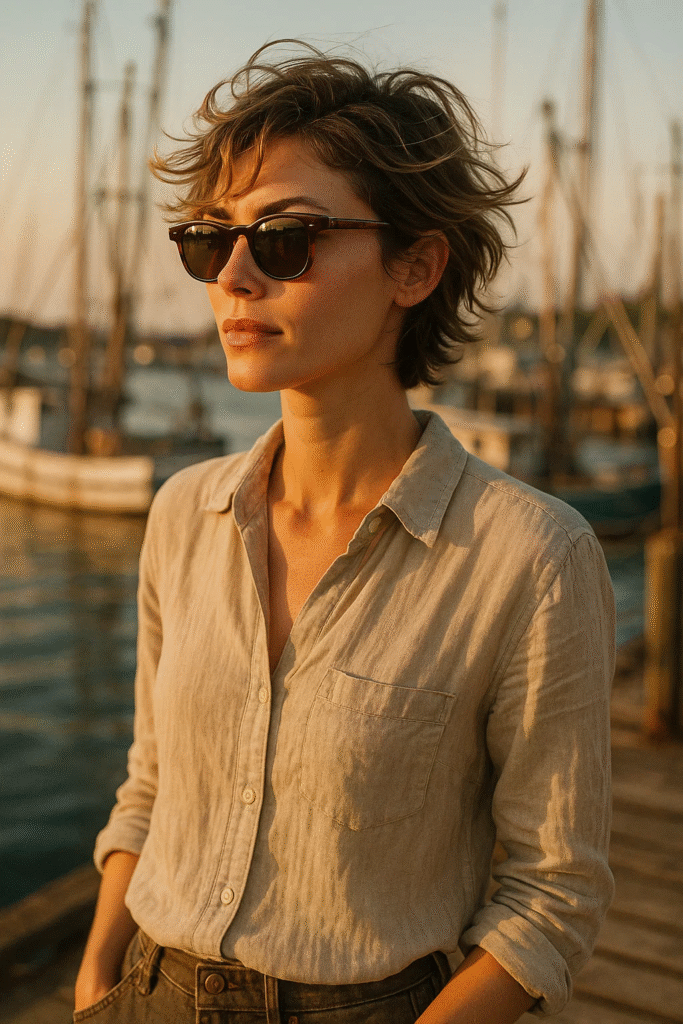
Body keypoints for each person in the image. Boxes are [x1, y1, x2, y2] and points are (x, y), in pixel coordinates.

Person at [73, 40, 615, 1024]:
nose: (233, 275)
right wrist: (98, 969)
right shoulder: (182, 515)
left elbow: (553, 893)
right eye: (210, 238)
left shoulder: (530, 556)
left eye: (283, 238)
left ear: (413, 266)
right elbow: (151, 782)